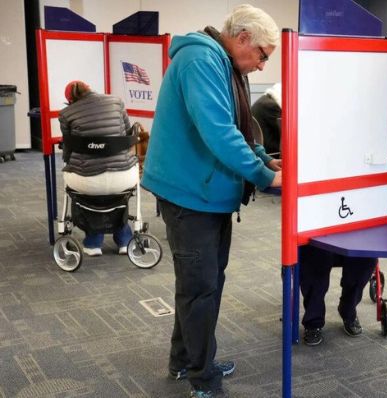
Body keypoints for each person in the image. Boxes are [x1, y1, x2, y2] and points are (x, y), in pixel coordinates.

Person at [140, 5, 282, 398]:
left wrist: (261, 155)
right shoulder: (201, 59)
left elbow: (235, 125)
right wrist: (264, 175)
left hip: (208, 195)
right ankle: (203, 378)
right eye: (263, 54)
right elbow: (218, 132)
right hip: (191, 195)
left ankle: (184, 359)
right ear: (242, 39)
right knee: (201, 287)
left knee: (202, 284)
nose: (262, 64)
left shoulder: (224, 64)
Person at [59, 80, 137, 257]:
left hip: (87, 181)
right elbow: (126, 135)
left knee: (82, 187)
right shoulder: (116, 102)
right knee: (117, 192)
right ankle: (125, 240)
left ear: (70, 101)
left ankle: (93, 242)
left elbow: (68, 148)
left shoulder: (66, 113)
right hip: (122, 177)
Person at [299, 244, 377, 346]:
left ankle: (348, 309)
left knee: (366, 257)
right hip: (319, 238)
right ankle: (313, 320)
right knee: (314, 257)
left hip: (355, 236)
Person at [251, 82, 281, 157]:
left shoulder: (264, 101)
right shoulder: (272, 106)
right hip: (270, 153)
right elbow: (285, 134)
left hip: (260, 149)